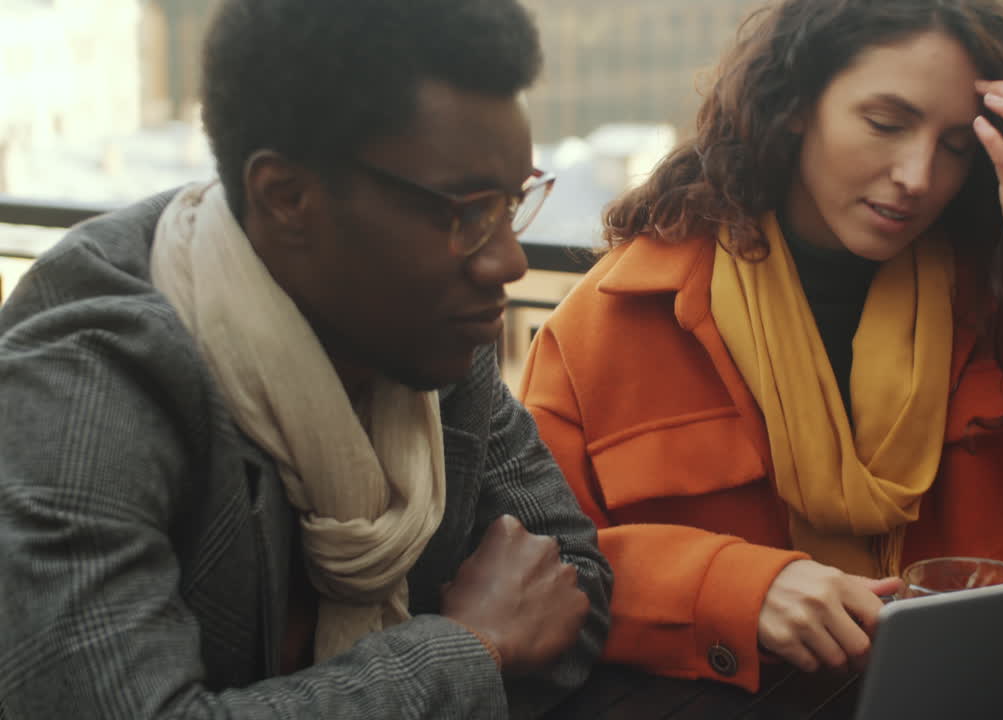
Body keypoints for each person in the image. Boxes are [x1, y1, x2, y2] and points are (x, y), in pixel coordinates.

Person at [519, 0, 1003, 693]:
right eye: (886, 123)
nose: (917, 177)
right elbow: (534, 572)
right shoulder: (619, 318)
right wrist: (735, 589)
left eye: (954, 146)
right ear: (795, 104)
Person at [0, 0, 611, 717]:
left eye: (512, 204)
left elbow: (573, 590)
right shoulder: (89, 374)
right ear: (286, 197)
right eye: (466, 212)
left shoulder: (425, 335)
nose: (505, 261)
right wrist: (473, 646)